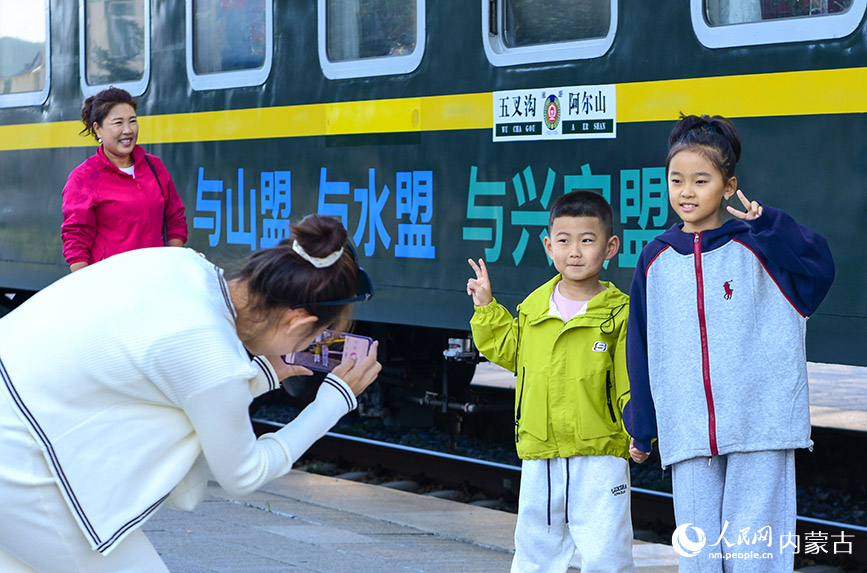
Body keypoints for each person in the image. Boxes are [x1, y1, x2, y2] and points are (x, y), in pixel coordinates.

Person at [0, 214, 381, 571]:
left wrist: (261, 375)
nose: (313, 344)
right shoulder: (213, 354)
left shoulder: (182, 265)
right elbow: (244, 473)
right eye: (316, 335)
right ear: (297, 320)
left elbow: (161, 370)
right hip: (20, 462)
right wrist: (333, 402)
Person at [624, 115, 835, 571]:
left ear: (728, 185)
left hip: (761, 424)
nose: (687, 191)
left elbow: (819, 271)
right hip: (688, 428)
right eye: (676, 180)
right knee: (699, 554)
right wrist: (642, 423)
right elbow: (640, 343)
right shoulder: (656, 258)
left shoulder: (761, 246)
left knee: (754, 550)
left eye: (701, 180)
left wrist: (771, 226)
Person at [467, 191, 637, 573]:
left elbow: (630, 383)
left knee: (606, 550)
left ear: (610, 247)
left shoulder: (619, 314)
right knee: (535, 550)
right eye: (564, 240)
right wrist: (486, 306)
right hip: (541, 451)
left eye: (587, 240)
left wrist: (640, 431)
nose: (574, 252)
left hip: (599, 453)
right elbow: (511, 350)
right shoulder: (534, 308)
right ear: (549, 246)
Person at [61, 87, 188, 272]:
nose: (128, 130)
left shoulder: (154, 167)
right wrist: (86, 284)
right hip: (112, 281)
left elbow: (175, 219)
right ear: (98, 129)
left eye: (132, 121)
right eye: (118, 123)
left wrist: (171, 264)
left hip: (156, 278)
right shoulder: (84, 178)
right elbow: (76, 238)